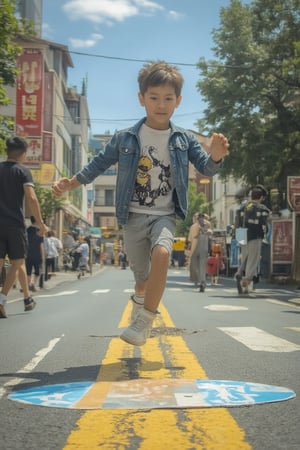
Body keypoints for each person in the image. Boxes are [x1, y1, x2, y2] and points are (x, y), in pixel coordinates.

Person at [52, 61, 229, 345]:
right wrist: (70, 183)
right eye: (154, 97)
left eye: (168, 98)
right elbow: (99, 163)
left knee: (162, 254)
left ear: (178, 101)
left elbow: (206, 169)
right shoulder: (125, 138)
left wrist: (217, 155)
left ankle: (145, 319)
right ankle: (140, 303)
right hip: (132, 215)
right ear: (141, 99)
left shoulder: (184, 139)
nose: (161, 104)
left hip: (165, 214)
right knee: (142, 281)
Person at [0, 136, 48, 318]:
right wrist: (40, 222)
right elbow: (31, 197)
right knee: (17, 262)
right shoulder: (22, 171)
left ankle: (26, 298)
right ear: (23, 153)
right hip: (15, 224)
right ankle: (2, 299)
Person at [235, 185, 271, 294]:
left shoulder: (242, 207)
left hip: (241, 233)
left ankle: (239, 272)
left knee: (244, 256)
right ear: (261, 198)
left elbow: (237, 221)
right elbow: (267, 222)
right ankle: (246, 280)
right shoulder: (263, 209)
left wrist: (237, 234)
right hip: (255, 234)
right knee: (253, 259)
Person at [188, 213, 212, 292]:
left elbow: (190, 240)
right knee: (202, 266)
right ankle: (202, 281)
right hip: (204, 247)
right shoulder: (206, 224)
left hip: (195, 248)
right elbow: (211, 233)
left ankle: (201, 281)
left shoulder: (194, 226)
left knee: (196, 265)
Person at [25, 216, 45, 292]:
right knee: (37, 271)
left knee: (28, 271)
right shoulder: (40, 232)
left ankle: (27, 286)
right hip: (37, 254)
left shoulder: (26, 230)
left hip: (27, 254)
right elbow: (41, 246)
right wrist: (43, 256)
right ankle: (32, 284)